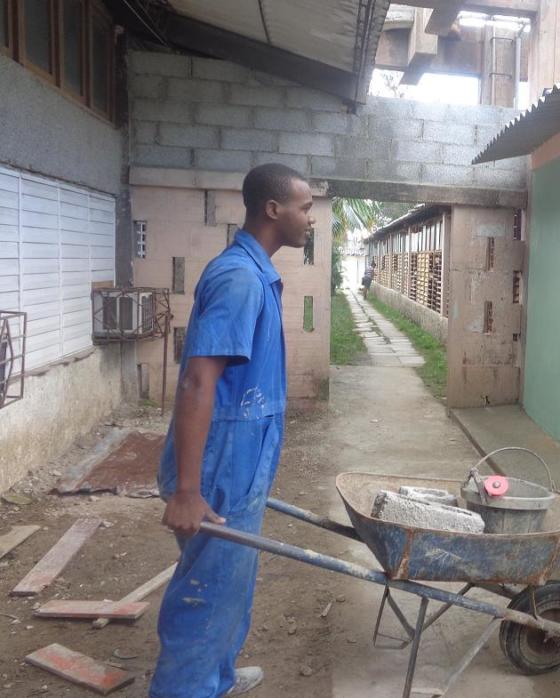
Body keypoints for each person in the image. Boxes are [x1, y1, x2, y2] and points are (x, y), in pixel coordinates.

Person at [150, 163, 314, 698]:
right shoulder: (240, 279)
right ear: (274, 210)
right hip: (220, 464)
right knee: (207, 590)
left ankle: (214, 678)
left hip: (239, 457)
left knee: (229, 585)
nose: (309, 219)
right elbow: (198, 383)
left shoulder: (254, 272)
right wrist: (188, 491)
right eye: (305, 207)